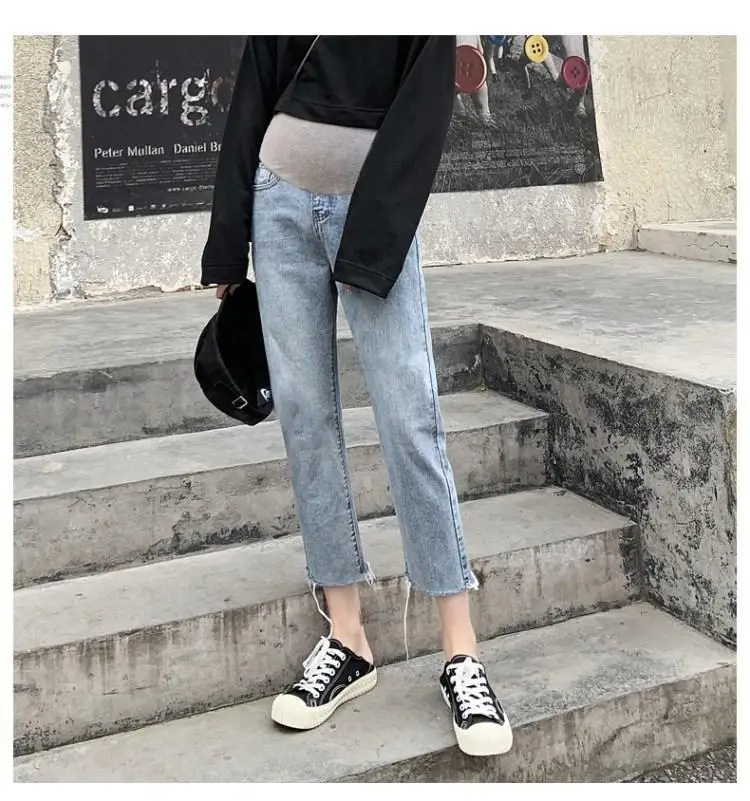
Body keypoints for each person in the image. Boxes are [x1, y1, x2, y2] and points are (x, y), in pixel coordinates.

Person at [201, 35, 512, 758]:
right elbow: (254, 93)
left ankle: (461, 652)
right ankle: (347, 639)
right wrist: (226, 241)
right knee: (305, 419)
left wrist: (373, 240)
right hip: (277, 205)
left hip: (373, 208)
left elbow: (425, 108)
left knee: (410, 418)